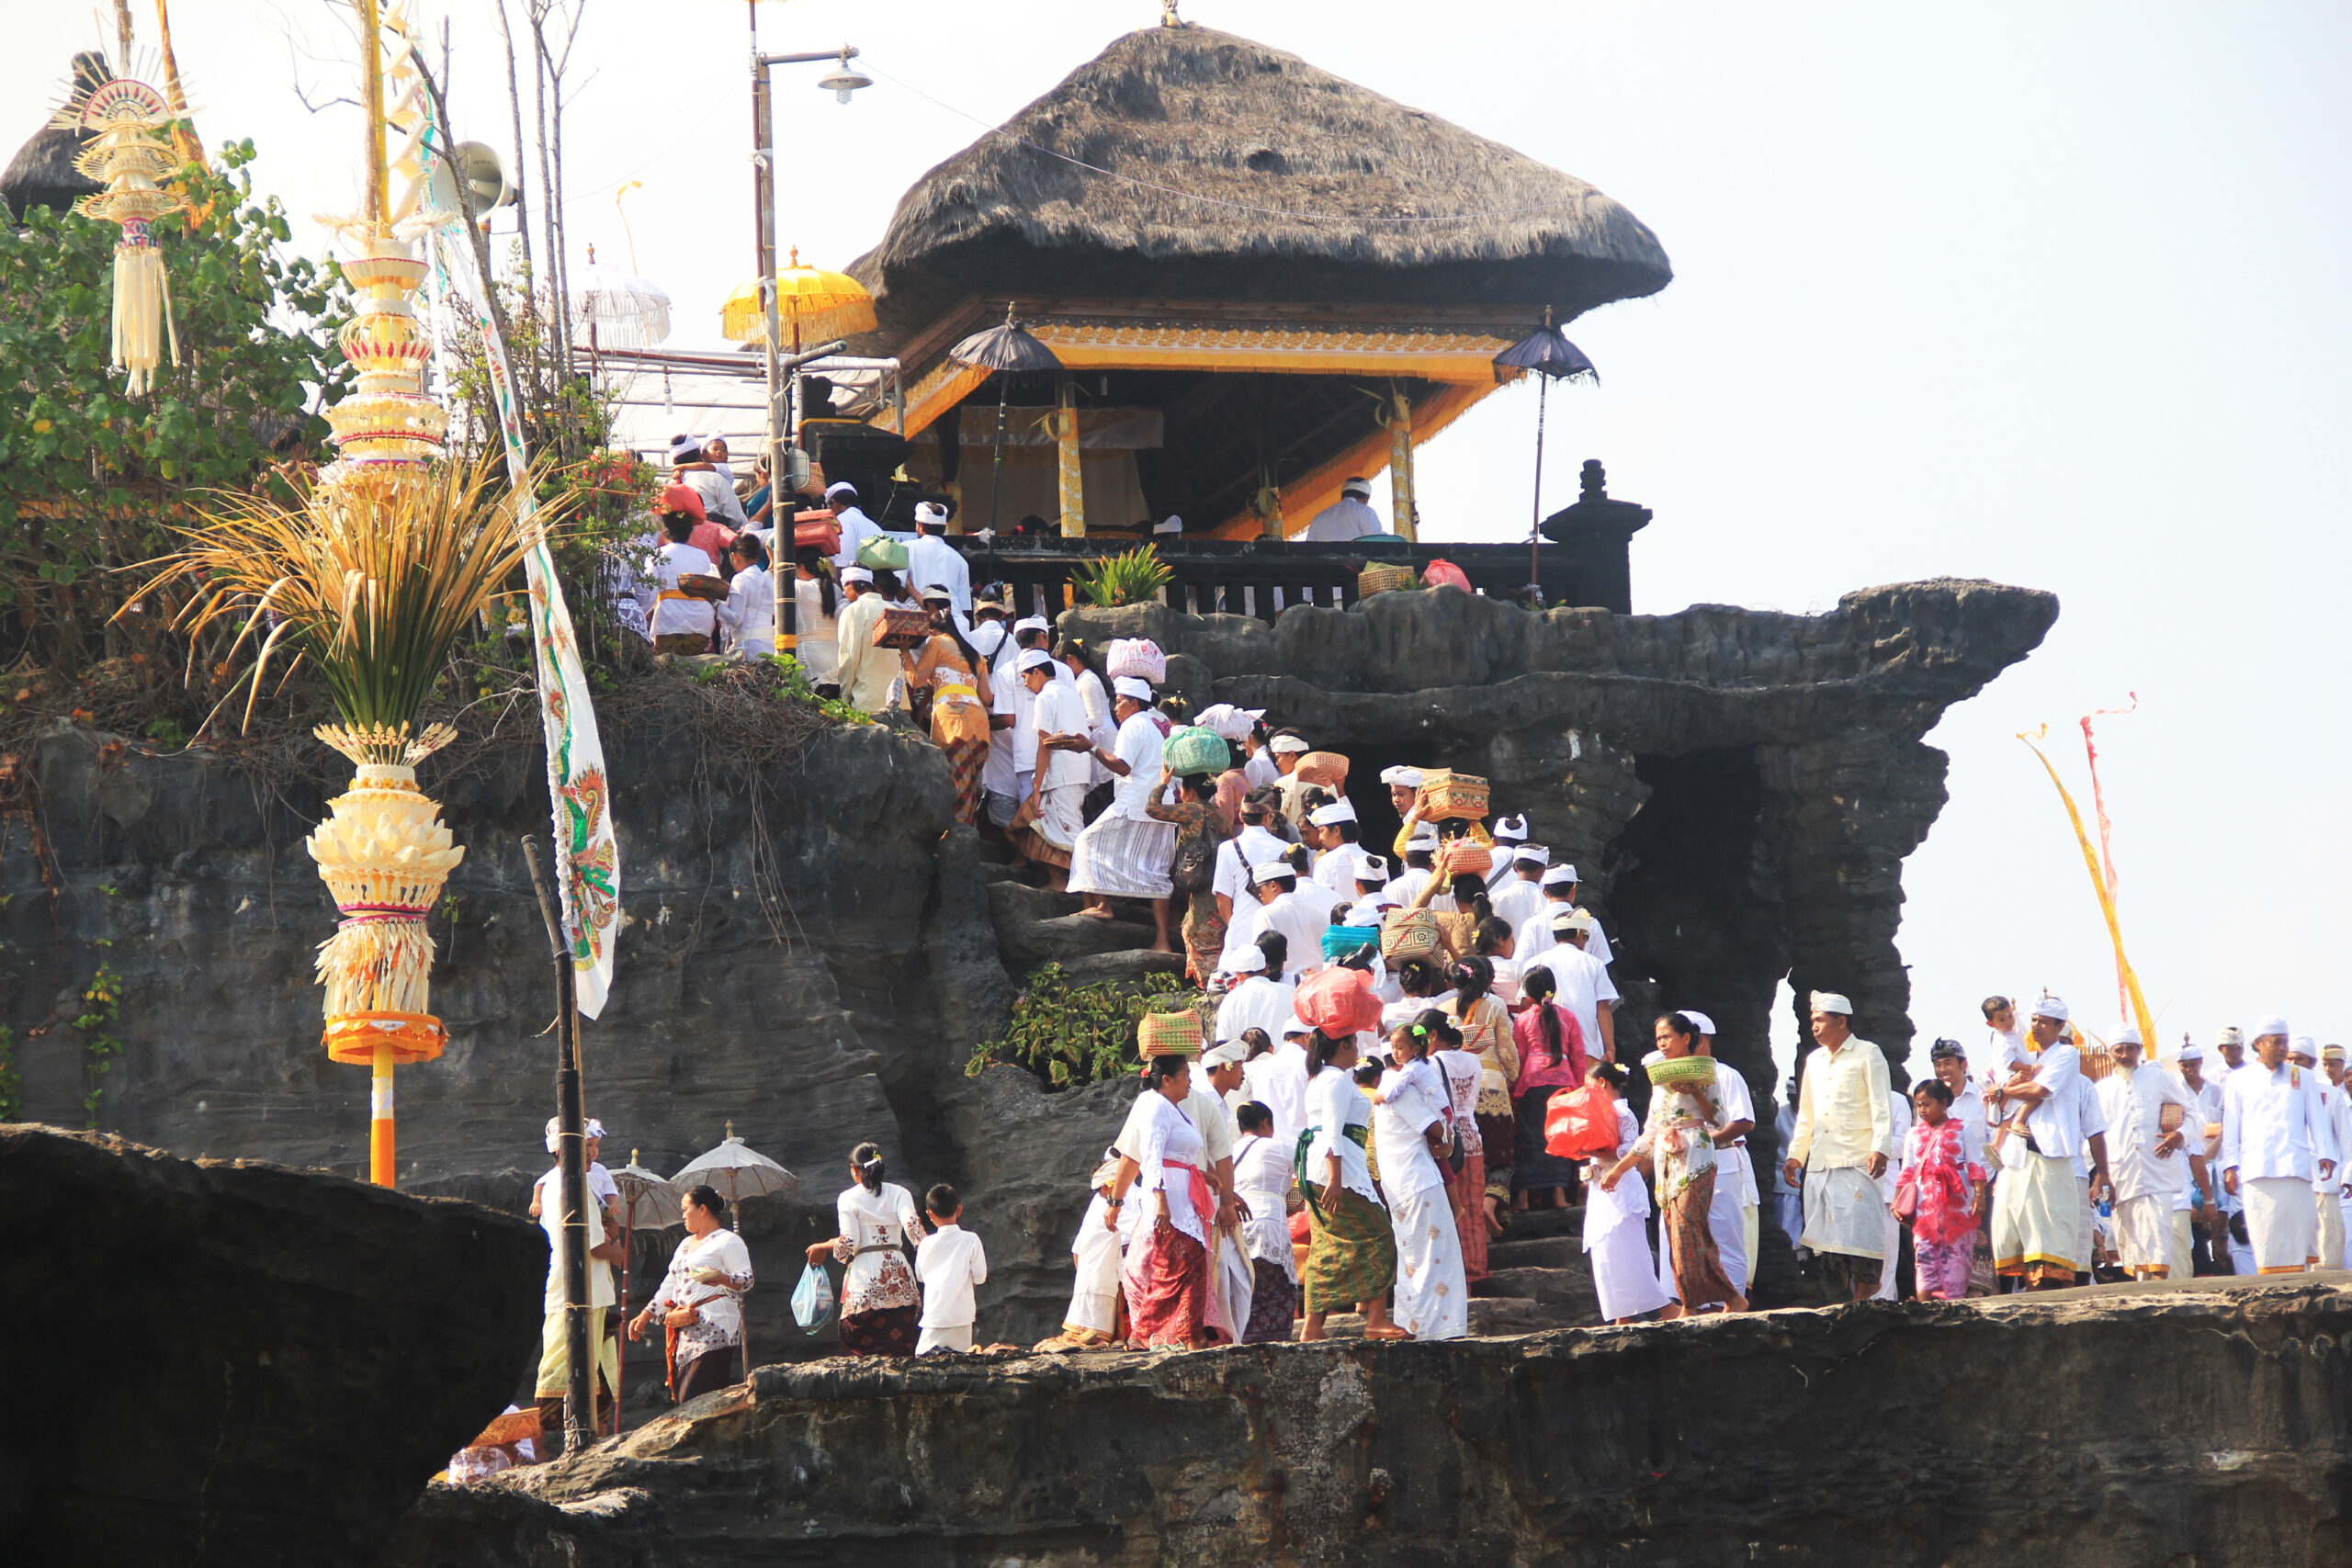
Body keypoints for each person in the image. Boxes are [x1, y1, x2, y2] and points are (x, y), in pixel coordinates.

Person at [1602, 1021, 1745, 1315]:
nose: (1662, 1043)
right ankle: (1692, 1303)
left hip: (1697, 1157)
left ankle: (1729, 1297)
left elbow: (1718, 1119)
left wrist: (1696, 1093)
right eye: (1658, 1038)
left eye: (1667, 1037)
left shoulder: (1706, 1072)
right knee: (1675, 1233)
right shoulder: (1660, 1081)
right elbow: (1651, 1131)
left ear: (1686, 1037)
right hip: (1666, 1162)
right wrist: (1621, 1168)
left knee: (1689, 1230)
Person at [1988, 996, 2113, 1290]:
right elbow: (1997, 1113)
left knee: (2053, 1246)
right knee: (2021, 1240)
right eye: (2033, 1020)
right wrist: (2000, 1093)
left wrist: (2002, 1091)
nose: (2037, 1026)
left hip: (2051, 1157)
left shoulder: (2065, 1056)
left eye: (2044, 1021)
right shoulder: (2028, 1061)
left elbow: (2040, 1089)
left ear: (2060, 1026)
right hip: (2018, 1158)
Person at [1783, 990, 1895, 1303]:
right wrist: (1795, 1155)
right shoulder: (1814, 1061)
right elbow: (1806, 1114)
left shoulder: (1867, 1053)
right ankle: (1838, 1305)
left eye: (1820, 1020)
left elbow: (1881, 1106)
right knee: (1827, 1241)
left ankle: (1863, 1303)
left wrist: (1880, 1147)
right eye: (1812, 1021)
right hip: (1820, 1162)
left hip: (1857, 1159)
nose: (1815, 1027)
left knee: (1861, 1236)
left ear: (1841, 1021)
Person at [1298, 1027, 1405, 1341]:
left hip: (1320, 1167)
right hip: (1335, 1170)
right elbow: (1332, 1132)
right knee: (1380, 1235)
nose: (1357, 1046)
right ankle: (1375, 1320)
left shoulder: (1322, 1079)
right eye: (1354, 1042)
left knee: (1327, 1245)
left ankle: (1313, 1326)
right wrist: (1335, 1179)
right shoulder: (1333, 1080)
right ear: (1343, 1045)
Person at [527, 1118, 624, 1440]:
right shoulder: (570, 1184)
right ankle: (562, 1439)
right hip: (579, 1289)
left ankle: (593, 1434)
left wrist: (608, 1233)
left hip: (586, 1288)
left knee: (593, 1364)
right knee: (564, 1365)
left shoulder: (572, 1182)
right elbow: (595, 1246)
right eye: (584, 1150)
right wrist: (617, 1252)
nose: (591, 1157)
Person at [1373, 1018, 1469, 1339]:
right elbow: (1436, 1128)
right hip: (1418, 1181)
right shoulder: (1401, 1091)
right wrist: (1445, 1137)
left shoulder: (1392, 1089)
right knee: (1432, 1253)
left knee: (1415, 1253)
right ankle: (1438, 1327)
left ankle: (1418, 1322)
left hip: (1401, 1183)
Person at [2220, 1016, 2339, 1274]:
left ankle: (2297, 1290)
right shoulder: (2238, 1080)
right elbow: (2231, 1127)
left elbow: (2317, 1120)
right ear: (2259, 1044)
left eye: (2284, 1042)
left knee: (2296, 1233)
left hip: (2295, 1167)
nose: (2282, 1048)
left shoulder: (2302, 1077)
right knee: (2265, 1235)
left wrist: (2326, 1154)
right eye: (2275, 1042)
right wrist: (2230, 1165)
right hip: (2257, 1169)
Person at [1066, 677, 1177, 953]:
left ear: (1134, 703)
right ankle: (1162, 941)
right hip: (1162, 805)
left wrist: (1090, 748)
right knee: (1155, 870)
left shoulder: (1134, 724)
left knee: (1086, 842)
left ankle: (1103, 905)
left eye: (1119, 702)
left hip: (1135, 802)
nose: (1115, 709)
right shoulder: (1159, 722)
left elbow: (1123, 767)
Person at [2096, 1025, 2210, 1280]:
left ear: (2140, 1051)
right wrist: (2096, 1176)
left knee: (2159, 1241)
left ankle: (2161, 1297)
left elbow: (2192, 1116)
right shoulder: (2102, 1090)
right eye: (2119, 1050)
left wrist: (2179, 1135)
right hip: (2121, 1177)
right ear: (2109, 1053)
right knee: (2133, 1249)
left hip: (2157, 1173)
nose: (2125, 1055)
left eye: (2131, 1049)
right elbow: (2093, 1136)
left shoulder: (2159, 1079)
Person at [1119, 1056, 1217, 1348]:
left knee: (1191, 1267)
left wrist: (1201, 1174)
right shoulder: (1155, 1106)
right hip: (1169, 1199)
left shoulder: (1174, 1109)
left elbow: (1177, 1155)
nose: (1190, 1080)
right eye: (1186, 1074)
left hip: (1182, 1195)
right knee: (1172, 1269)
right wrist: (1160, 1199)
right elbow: (1151, 1154)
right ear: (1167, 1080)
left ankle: (1188, 1335)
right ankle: (1146, 1334)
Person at [628, 1183, 753, 1403]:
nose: (683, 1215)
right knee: (686, 1396)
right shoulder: (686, 1244)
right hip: (686, 1329)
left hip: (716, 1326)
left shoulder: (728, 1241)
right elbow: (671, 1282)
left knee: (698, 1394)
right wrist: (646, 1314)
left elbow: (747, 1279)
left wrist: (723, 1278)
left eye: (686, 1209)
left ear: (703, 1209)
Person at [806, 1143, 927, 1356]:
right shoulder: (900, 1193)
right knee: (899, 1352)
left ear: (854, 1168)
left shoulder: (848, 1197)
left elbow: (849, 1242)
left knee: (857, 1351)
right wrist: (930, 1252)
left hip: (865, 1283)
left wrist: (835, 1253)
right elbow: (913, 1228)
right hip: (901, 1281)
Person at [1580, 1062, 1675, 1323]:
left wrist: (1589, 1149)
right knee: (1608, 1251)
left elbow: (1628, 1152)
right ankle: (1623, 1315)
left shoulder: (1621, 1113)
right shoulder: (1601, 1113)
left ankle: (1665, 1308)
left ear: (1601, 1083)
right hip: (1603, 1187)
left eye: (1589, 1085)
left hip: (1621, 1186)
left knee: (1630, 1250)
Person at [903, 588, 995, 826]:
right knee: (970, 783)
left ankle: (957, 836)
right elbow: (986, 696)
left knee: (956, 783)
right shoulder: (975, 654)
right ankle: (968, 833)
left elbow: (917, 680)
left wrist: (905, 652)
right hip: (979, 723)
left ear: (933, 631)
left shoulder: (937, 643)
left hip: (953, 722)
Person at [1438, 955, 1518, 1229]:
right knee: (1501, 1158)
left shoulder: (1442, 1008)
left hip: (1458, 1093)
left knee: (1471, 1161)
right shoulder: (1495, 1006)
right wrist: (1513, 1075)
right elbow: (1507, 1052)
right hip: (1493, 1086)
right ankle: (1491, 1204)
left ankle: (1473, 1222)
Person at [1684, 1011, 1761, 1273]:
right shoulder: (1673, 1081)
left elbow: (1743, 1122)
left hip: (1726, 1163)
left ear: (1700, 1039)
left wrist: (1700, 1144)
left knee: (1728, 1239)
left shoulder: (1726, 1075)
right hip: (1688, 1169)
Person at [1897, 1080, 1985, 1301]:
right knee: (1924, 1257)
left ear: (1944, 1102)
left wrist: (1979, 1196)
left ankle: (1955, 1306)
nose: (1922, 1110)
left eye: (1926, 1104)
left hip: (1957, 1208)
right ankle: (1924, 1311)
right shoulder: (1913, 1135)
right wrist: (1898, 1202)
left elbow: (1975, 1165)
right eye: (1918, 1105)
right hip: (1923, 1209)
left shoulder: (1962, 1128)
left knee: (1956, 1256)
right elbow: (1907, 1171)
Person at [1510, 965, 1588, 1211]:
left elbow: (1519, 1056)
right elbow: (1578, 1056)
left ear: (1528, 993)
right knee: (1560, 1137)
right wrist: (1579, 1087)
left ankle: (1522, 1198)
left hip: (1533, 1081)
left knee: (1529, 1138)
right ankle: (1560, 1195)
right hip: (1564, 1082)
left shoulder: (1523, 1019)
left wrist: (1515, 1088)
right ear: (1552, 990)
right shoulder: (1568, 1017)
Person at [1146, 765, 1228, 984]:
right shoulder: (1215, 813)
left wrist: (1163, 782)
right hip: (1216, 883)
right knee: (1211, 931)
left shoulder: (1192, 810)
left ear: (1190, 791)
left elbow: (1152, 809)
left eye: (1182, 789)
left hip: (1201, 885)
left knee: (1201, 933)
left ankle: (1208, 987)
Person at [1424, 1010, 1491, 1276]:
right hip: (1472, 1135)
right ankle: (1476, 1266)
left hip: (1447, 1138)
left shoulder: (1431, 1064)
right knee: (1473, 1203)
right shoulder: (1474, 1060)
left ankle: (1456, 1273)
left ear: (1433, 1034)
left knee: (1451, 1207)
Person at [1042, 1155, 1127, 1350]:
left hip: (1090, 1277)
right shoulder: (1110, 1208)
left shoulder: (1095, 1205)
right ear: (1106, 1187)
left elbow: (1076, 1250)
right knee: (1098, 1337)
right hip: (1099, 1278)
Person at [1231, 1100, 1298, 1342]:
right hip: (1268, 1222)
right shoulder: (1278, 1146)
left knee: (1244, 1289)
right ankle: (1272, 1341)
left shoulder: (1230, 1151)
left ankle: (1245, 1339)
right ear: (1266, 1123)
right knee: (1277, 1287)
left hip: (1237, 1227)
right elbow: (1306, 1173)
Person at [1517, 908, 1619, 1063]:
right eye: (1586, 936)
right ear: (1579, 934)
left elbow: (1525, 1005)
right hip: (1586, 1049)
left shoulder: (1534, 963)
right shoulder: (1594, 964)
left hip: (1543, 1050)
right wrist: (1610, 1048)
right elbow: (1603, 1008)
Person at [911, 1183, 988, 1354]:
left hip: (933, 1317)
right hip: (962, 1318)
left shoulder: (925, 1244)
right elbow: (980, 1277)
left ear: (929, 1214)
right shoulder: (971, 1239)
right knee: (961, 1366)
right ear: (959, 1210)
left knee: (924, 1362)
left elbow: (920, 1277)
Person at [1240, 998, 1312, 1150]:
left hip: (1273, 1149)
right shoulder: (1310, 1063)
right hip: (1307, 1148)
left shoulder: (1264, 1069)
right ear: (1307, 1037)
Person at [650, 509, 719, 656]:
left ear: (664, 530)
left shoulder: (657, 555)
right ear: (690, 532)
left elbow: (648, 593)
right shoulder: (703, 556)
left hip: (669, 621)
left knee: (668, 670)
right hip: (701, 623)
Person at [831, 566, 899, 714]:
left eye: (845, 587)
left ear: (850, 584)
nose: (844, 593)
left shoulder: (852, 610)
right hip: (897, 701)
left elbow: (849, 658)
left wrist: (844, 698)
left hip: (866, 700)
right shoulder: (894, 610)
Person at [1216, 936, 1297, 1048]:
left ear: (1238, 975)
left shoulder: (1231, 999)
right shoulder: (1289, 992)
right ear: (1266, 969)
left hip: (1243, 1065)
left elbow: (1223, 1043)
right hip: (1285, 1064)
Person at [712, 533, 777, 659]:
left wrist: (715, 603)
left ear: (734, 556)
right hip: (769, 644)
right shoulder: (767, 580)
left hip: (749, 646)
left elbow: (736, 618)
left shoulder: (740, 579)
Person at [902, 502, 971, 615]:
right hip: (952, 622)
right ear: (943, 529)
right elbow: (965, 608)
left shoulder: (906, 548)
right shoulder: (959, 560)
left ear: (920, 526)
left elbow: (900, 594)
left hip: (916, 621)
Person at [789, 544, 841, 686]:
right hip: (835, 654)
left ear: (802, 568)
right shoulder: (835, 589)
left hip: (810, 653)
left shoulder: (798, 586)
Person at [1300, 475, 1381, 542]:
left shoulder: (1319, 517)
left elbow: (1309, 548)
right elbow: (1377, 541)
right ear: (1366, 498)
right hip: (1356, 561)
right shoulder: (1365, 511)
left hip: (1325, 561)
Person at [822, 479, 881, 570]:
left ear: (834, 502)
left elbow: (843, 563)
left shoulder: (843, 520)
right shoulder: (874, 525)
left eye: (828, 506)